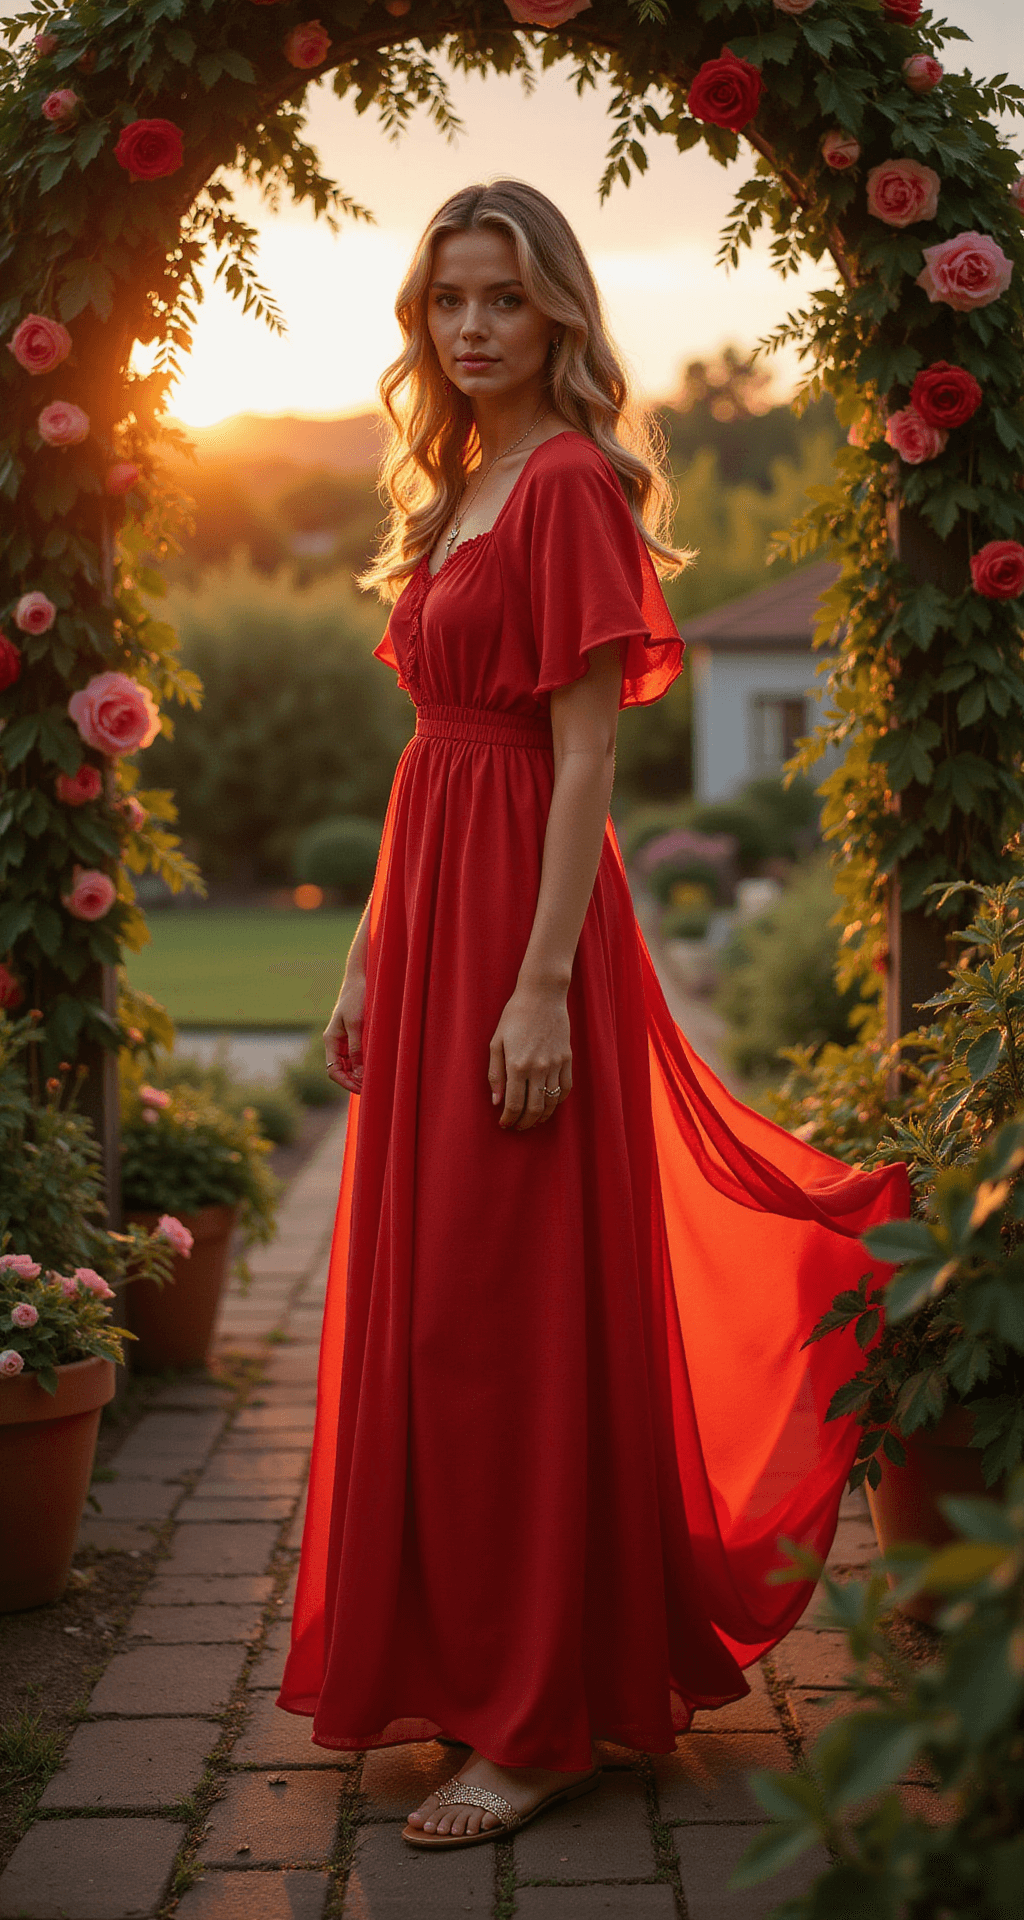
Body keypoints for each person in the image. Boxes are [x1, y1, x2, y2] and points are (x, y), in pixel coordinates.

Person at [276, 179, 908, 1851]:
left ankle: (545, 1717)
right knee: (438, 1306)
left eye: (501, 297)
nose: (470, 327)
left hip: (528, 931)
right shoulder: (463, 481)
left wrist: (540, 983)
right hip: (438, 919)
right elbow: (434, 759)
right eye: (446, 301)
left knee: (503, 1311)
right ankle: (476, 1667)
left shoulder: (561, 485)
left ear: (560, 308)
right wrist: (366, 958)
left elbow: (581, 760)